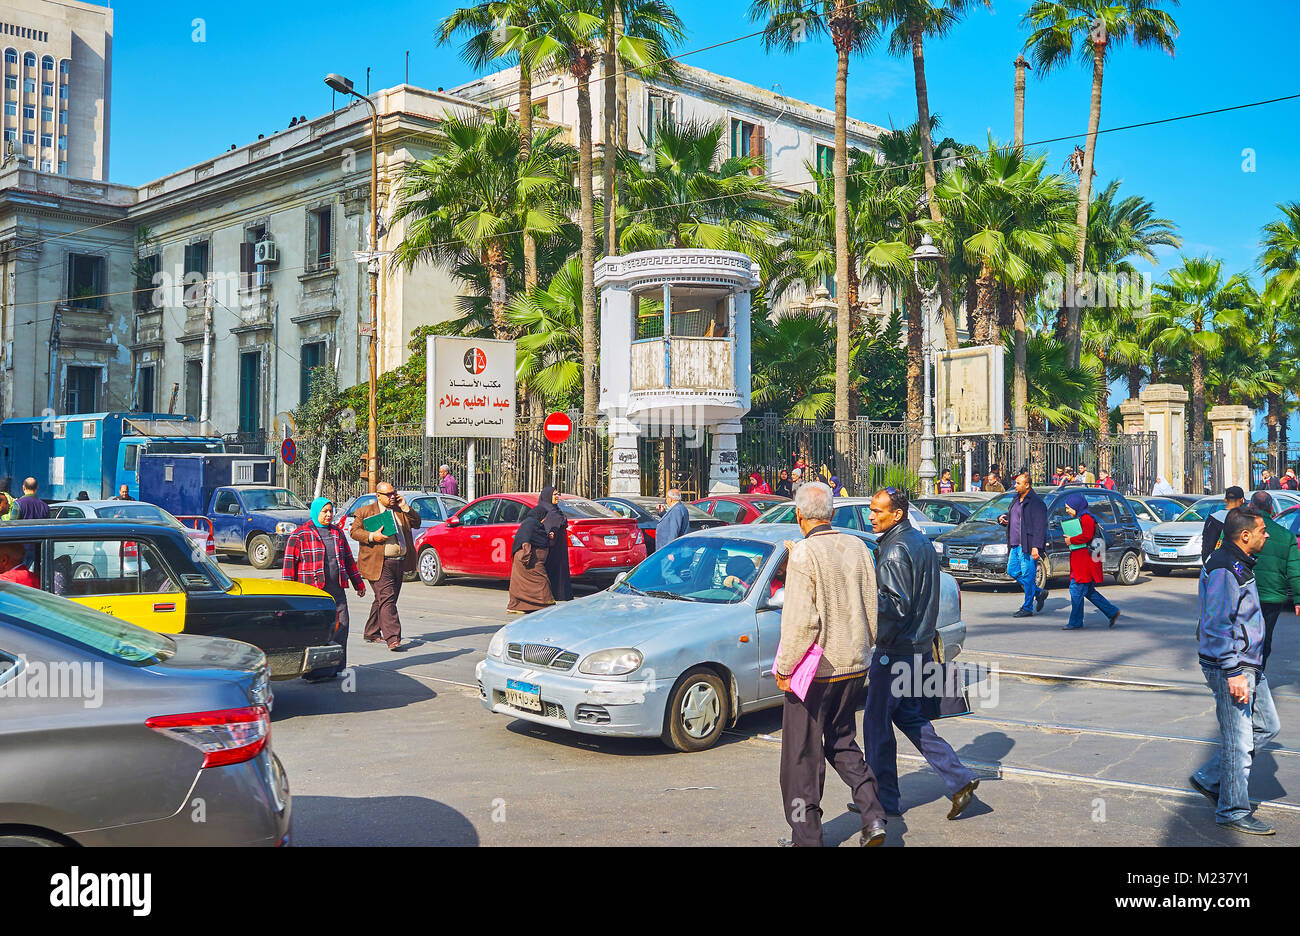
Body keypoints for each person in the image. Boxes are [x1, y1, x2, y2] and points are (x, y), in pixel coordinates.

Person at [775, 482, 887, 848]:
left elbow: (799, 622)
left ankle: (806, 837)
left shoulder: (804, 555)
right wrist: (863, 647)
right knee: (842, 743)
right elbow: (872, 607)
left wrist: (785, 668)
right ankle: (872, 816)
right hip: (854, 664)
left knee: (800, 759)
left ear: (798, 516)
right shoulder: (857, 546)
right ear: (832, 514)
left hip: (816, 671)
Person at [864, 487, 980, 819]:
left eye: (878, 511)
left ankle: (881, 801)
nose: (872, 516)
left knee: (875, 726)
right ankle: (959, 778)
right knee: (909, 718)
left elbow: (895, 605)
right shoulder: (919, 541)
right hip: (917, 648)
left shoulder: (896, 548)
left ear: (896, 514)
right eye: (872, 510)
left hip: (895, 652)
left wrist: (864, 597)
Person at [1191, 505, 1279, 835]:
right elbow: (1216, 624)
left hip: (1249, 662)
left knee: (1267, 725)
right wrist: (1233, 672)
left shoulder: (1239, 562)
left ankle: (1210, 778)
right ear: (1245, 536)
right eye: (1261, 530)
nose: (1266, 534)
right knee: (1238, 742)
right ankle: (1232, 809)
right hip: (1233, 665)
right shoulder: (1225, 566)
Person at [283, 497, 366, 681]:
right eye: (324, 512)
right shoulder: (299, 535)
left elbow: (348, 561)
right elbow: (288, 568)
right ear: (315, 512)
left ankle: (335, 668)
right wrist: (288, 596)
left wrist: (358, 583)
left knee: (341, 627)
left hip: (337, 592)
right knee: (317, 631)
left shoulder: (337, 533)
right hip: (313, 595)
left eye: (330, 511)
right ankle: (315, 671)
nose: (328, 515)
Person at [350, 482, 422, 651]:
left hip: (398, 561)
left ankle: (371, 631)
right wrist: (372, 536)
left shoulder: (399, 510)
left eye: (393, 493)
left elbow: (416, 523)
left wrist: (405, 507)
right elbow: (354, 532)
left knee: (384, 599)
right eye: (388, 494)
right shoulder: (365, 512)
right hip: (378, 563)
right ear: (378, 496)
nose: (391, 497)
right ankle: (393, 638)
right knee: (387, 598)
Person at [1247, 491, 1300, 668]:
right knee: (1265, 637)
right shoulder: (1286, 535)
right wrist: (1298, 599)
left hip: (1244, 594)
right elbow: (1294, 570)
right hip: (1272, 596)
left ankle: (1246, 673)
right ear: (1271, 509)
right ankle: (1258, 671)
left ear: (1251, 507)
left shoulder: (1240, 530)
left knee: (1243, 635)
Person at [1060, 492, 1120, 631]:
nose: (1067, 510)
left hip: (1085, 562)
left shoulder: (1086, 518)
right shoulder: (1082, 518)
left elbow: (1087, 536)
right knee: (1087, 591)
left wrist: (1071, 540)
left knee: (1076, 589)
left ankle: (1075, 622)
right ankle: (1112, 611)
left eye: (1069, 507)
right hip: (1081, 560)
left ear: (1076, 506)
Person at [999, 470, 1049, 618]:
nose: (1015, 486)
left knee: (1027, 576)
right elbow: (1015, 516)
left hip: (1027, 545)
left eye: (1018, 483)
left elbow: (1040, 526)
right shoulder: (1016, 498)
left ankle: (1027, 607)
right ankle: (1039, 592)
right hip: (1015, 544)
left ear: (1027, 485)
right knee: (1012, 571)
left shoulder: (1036, 502)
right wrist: (1003, 518)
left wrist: (1036, 547)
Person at [507, 502, 555, 613]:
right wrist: (526, 556)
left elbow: (538, 537)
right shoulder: (529, 524)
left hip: (531, 559)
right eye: (544, 517)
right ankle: (547, 604)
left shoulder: (534, 524)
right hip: (527, 559)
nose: (544, 520)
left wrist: (548, 537)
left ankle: (518, 606)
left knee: (521, 584)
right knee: (541, 581)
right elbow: (525, 539)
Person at [539, 486, 573, 601]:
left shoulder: (555, 509)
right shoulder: (545, 510)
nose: (557, 497)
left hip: (560, 545)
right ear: (548, 496)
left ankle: (561, 593)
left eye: (557, 494)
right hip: (552, 546)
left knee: (561, 569)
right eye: (554, 495)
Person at [1201, 487, 1246, 564]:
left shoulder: (1213, 518)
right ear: (1242, 500)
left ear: (1225, 500)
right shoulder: (1246, 519)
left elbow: (1207, 546)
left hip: (1217, 562)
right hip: (1238, 564)